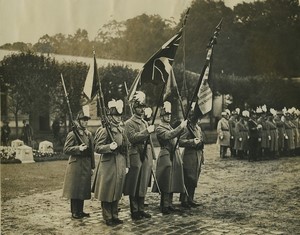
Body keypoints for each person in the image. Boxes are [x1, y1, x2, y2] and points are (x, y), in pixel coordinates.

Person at [92, 99, 129, 226]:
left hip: (120, 162)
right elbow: (97, 147)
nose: (118, 118)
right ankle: (107, 216)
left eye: (119, 116)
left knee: (117, 190)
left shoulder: (122, 130)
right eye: (115, 115)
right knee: (107, 191)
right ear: (110, 116)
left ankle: (115, 215)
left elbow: (126, 148)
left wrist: (127, 165)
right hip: (108, 164)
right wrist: (109, 147)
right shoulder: (104, 130)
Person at [152, 101, 187, 215]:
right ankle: (164, 205)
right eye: (166, 115)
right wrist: (180, 127)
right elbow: (168, 136)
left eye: (169, 115)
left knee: (172, 180)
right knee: (165, 180)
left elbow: (175, 136)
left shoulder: (170, 126)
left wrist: (181, 129)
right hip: (165, 154)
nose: (168, 116)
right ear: (161, 116)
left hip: (173, 154)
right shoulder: (159, 128)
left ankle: (170, 203)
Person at [123, 91, 154, 220]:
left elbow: (150, 141)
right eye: (139, 107)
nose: (142, 109)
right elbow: (132, 138)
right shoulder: (129, 123)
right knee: (134, 182)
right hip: (135, 153)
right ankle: (134, 210)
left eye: (143, 107)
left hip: (146, 153)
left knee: (143, 181)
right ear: (134, 108)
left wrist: (152, 154)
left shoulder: (145, 122)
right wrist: (146, 132)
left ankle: (141, 208)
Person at [62, 106, 95, 219]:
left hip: (85, 164)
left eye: (86, 120)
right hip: (76, 164)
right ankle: (74, 211)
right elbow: (66, 149)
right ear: (78, 121)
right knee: (75, 189)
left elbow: (91, 151)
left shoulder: (88, 134)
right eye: (83, 120)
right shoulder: (72, 134)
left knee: (82, 188)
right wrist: (77, 148)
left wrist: (92, 167)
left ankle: (81, 210)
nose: (85, 122)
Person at [179, 102, 204, 208]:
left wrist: (202, 156)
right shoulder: (186, 128)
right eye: (193, 116)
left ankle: (191, 198)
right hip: (189, 155)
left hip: (198, 154)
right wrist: (192, 142)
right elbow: (180, 141)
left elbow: (202, 140)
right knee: (188, 177)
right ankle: (184, 199)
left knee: (195, 178)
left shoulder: (198, 128)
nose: (195, 118)